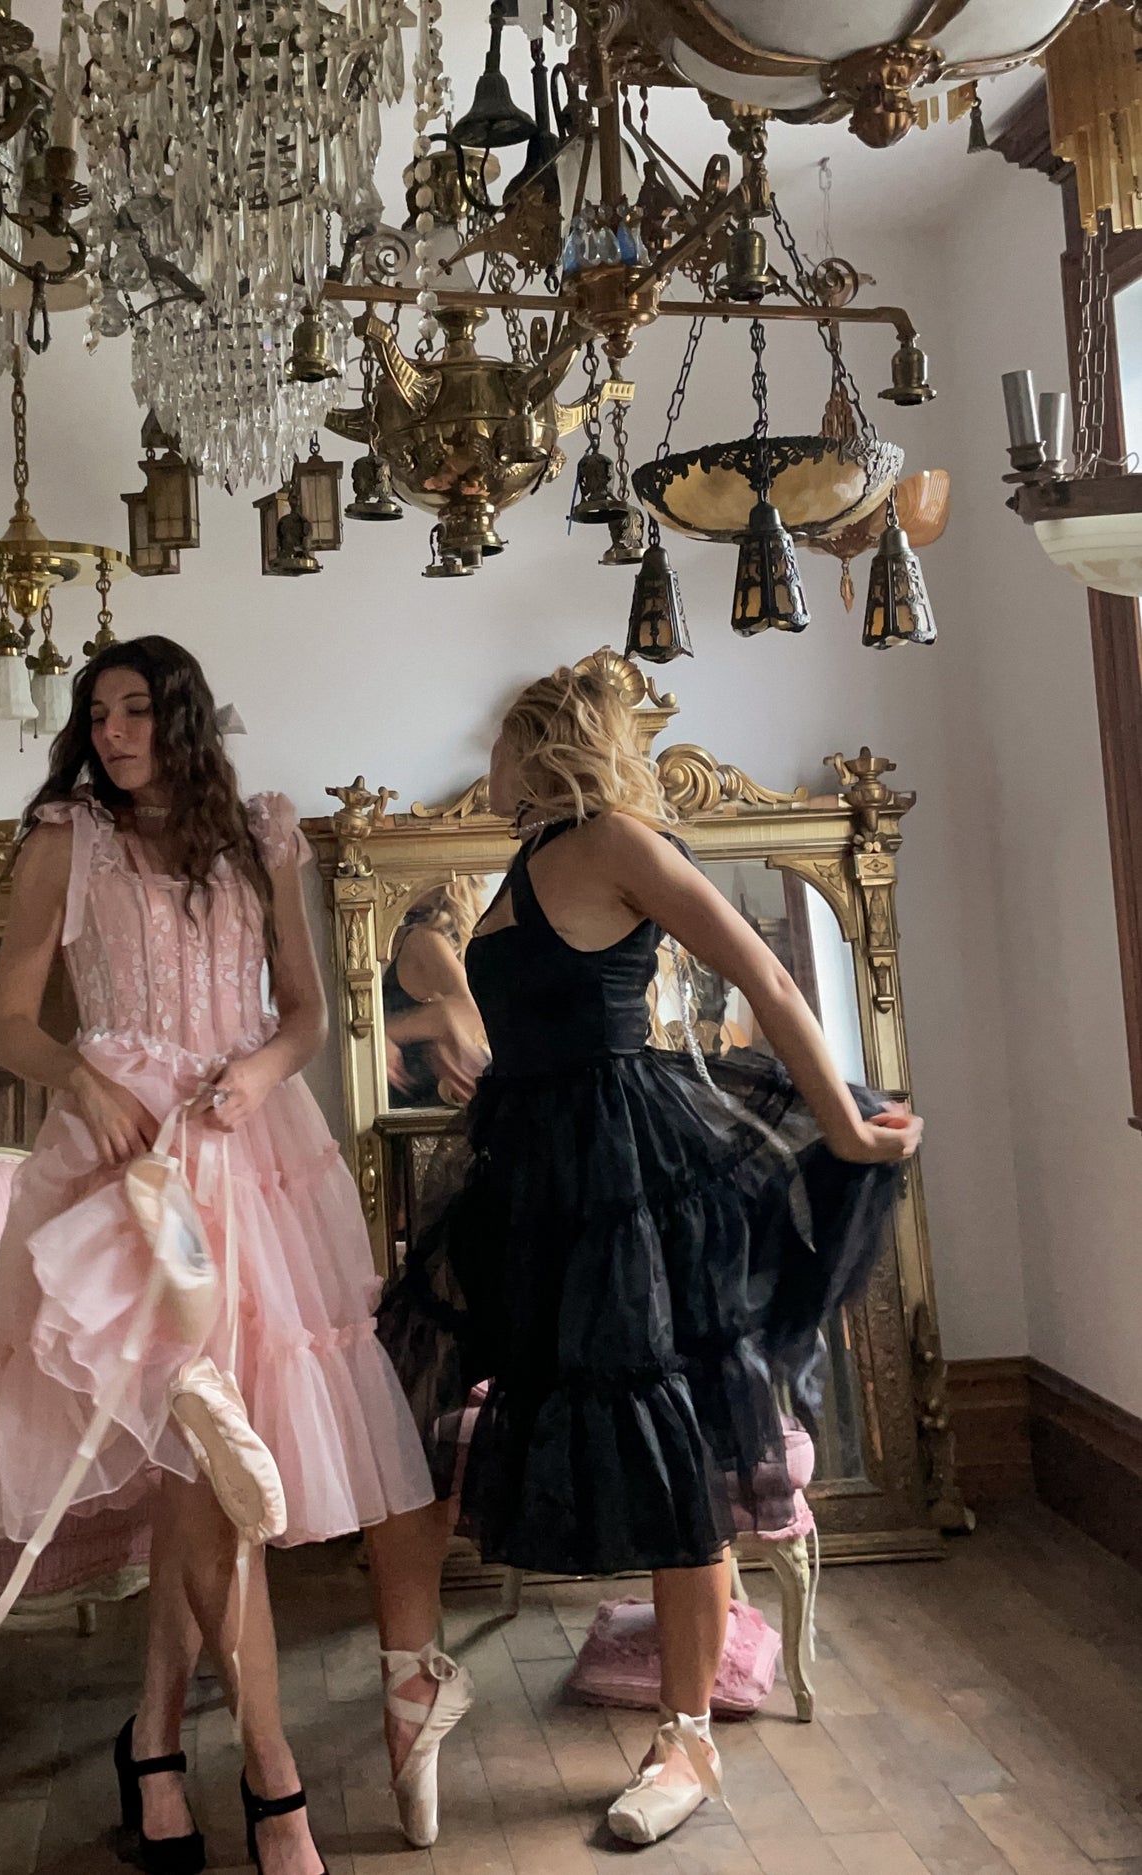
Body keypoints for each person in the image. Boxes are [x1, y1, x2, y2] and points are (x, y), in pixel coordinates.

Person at [0, 636, 438, 1875]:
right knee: (197, 1464)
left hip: (253, 1164)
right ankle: (272, 1776)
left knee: (203, 1478)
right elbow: (10, 1024)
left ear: (182, 716)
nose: (113, 731)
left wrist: (255, 1071)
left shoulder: (261, 837)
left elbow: (305, 1012)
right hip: (122, 1175)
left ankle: (154, 1746)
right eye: (98, 712)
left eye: (137, 709)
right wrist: (83, 1078)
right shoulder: (65, 840)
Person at [372, 663, 923, 1849]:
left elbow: (764, 975)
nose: (488, 761)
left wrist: (839, 1126)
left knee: (675, 1444)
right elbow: (495, 1000)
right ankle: (413, 1683)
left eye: (501, 741)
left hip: (622, 1174)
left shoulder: (619, 839)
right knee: (401, 1394)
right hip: (526, 1173)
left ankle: (687, 1738)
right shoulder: (526, 858)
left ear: (541, 743)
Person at [382, 876, 490, 1107]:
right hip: (425, 1096)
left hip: (418, 1098)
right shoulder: (416, 936)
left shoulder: (423, 940)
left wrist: (384, 1033)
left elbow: (469, 1011)